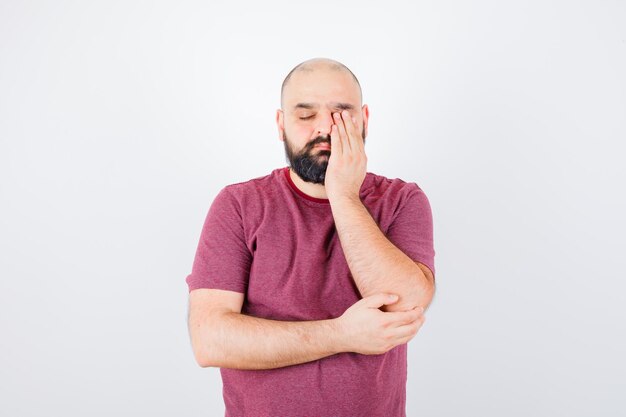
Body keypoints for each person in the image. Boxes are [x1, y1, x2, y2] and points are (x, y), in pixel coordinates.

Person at [185, 57, 436, 417]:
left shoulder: (402, 200)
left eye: (341, 113)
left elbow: (404, 307)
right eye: (305, 116)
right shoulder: (239, 204)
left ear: (364, 120)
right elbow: (210, 339)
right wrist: (342, 335)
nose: (325, 129)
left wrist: (344, 195)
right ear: (280, 124)